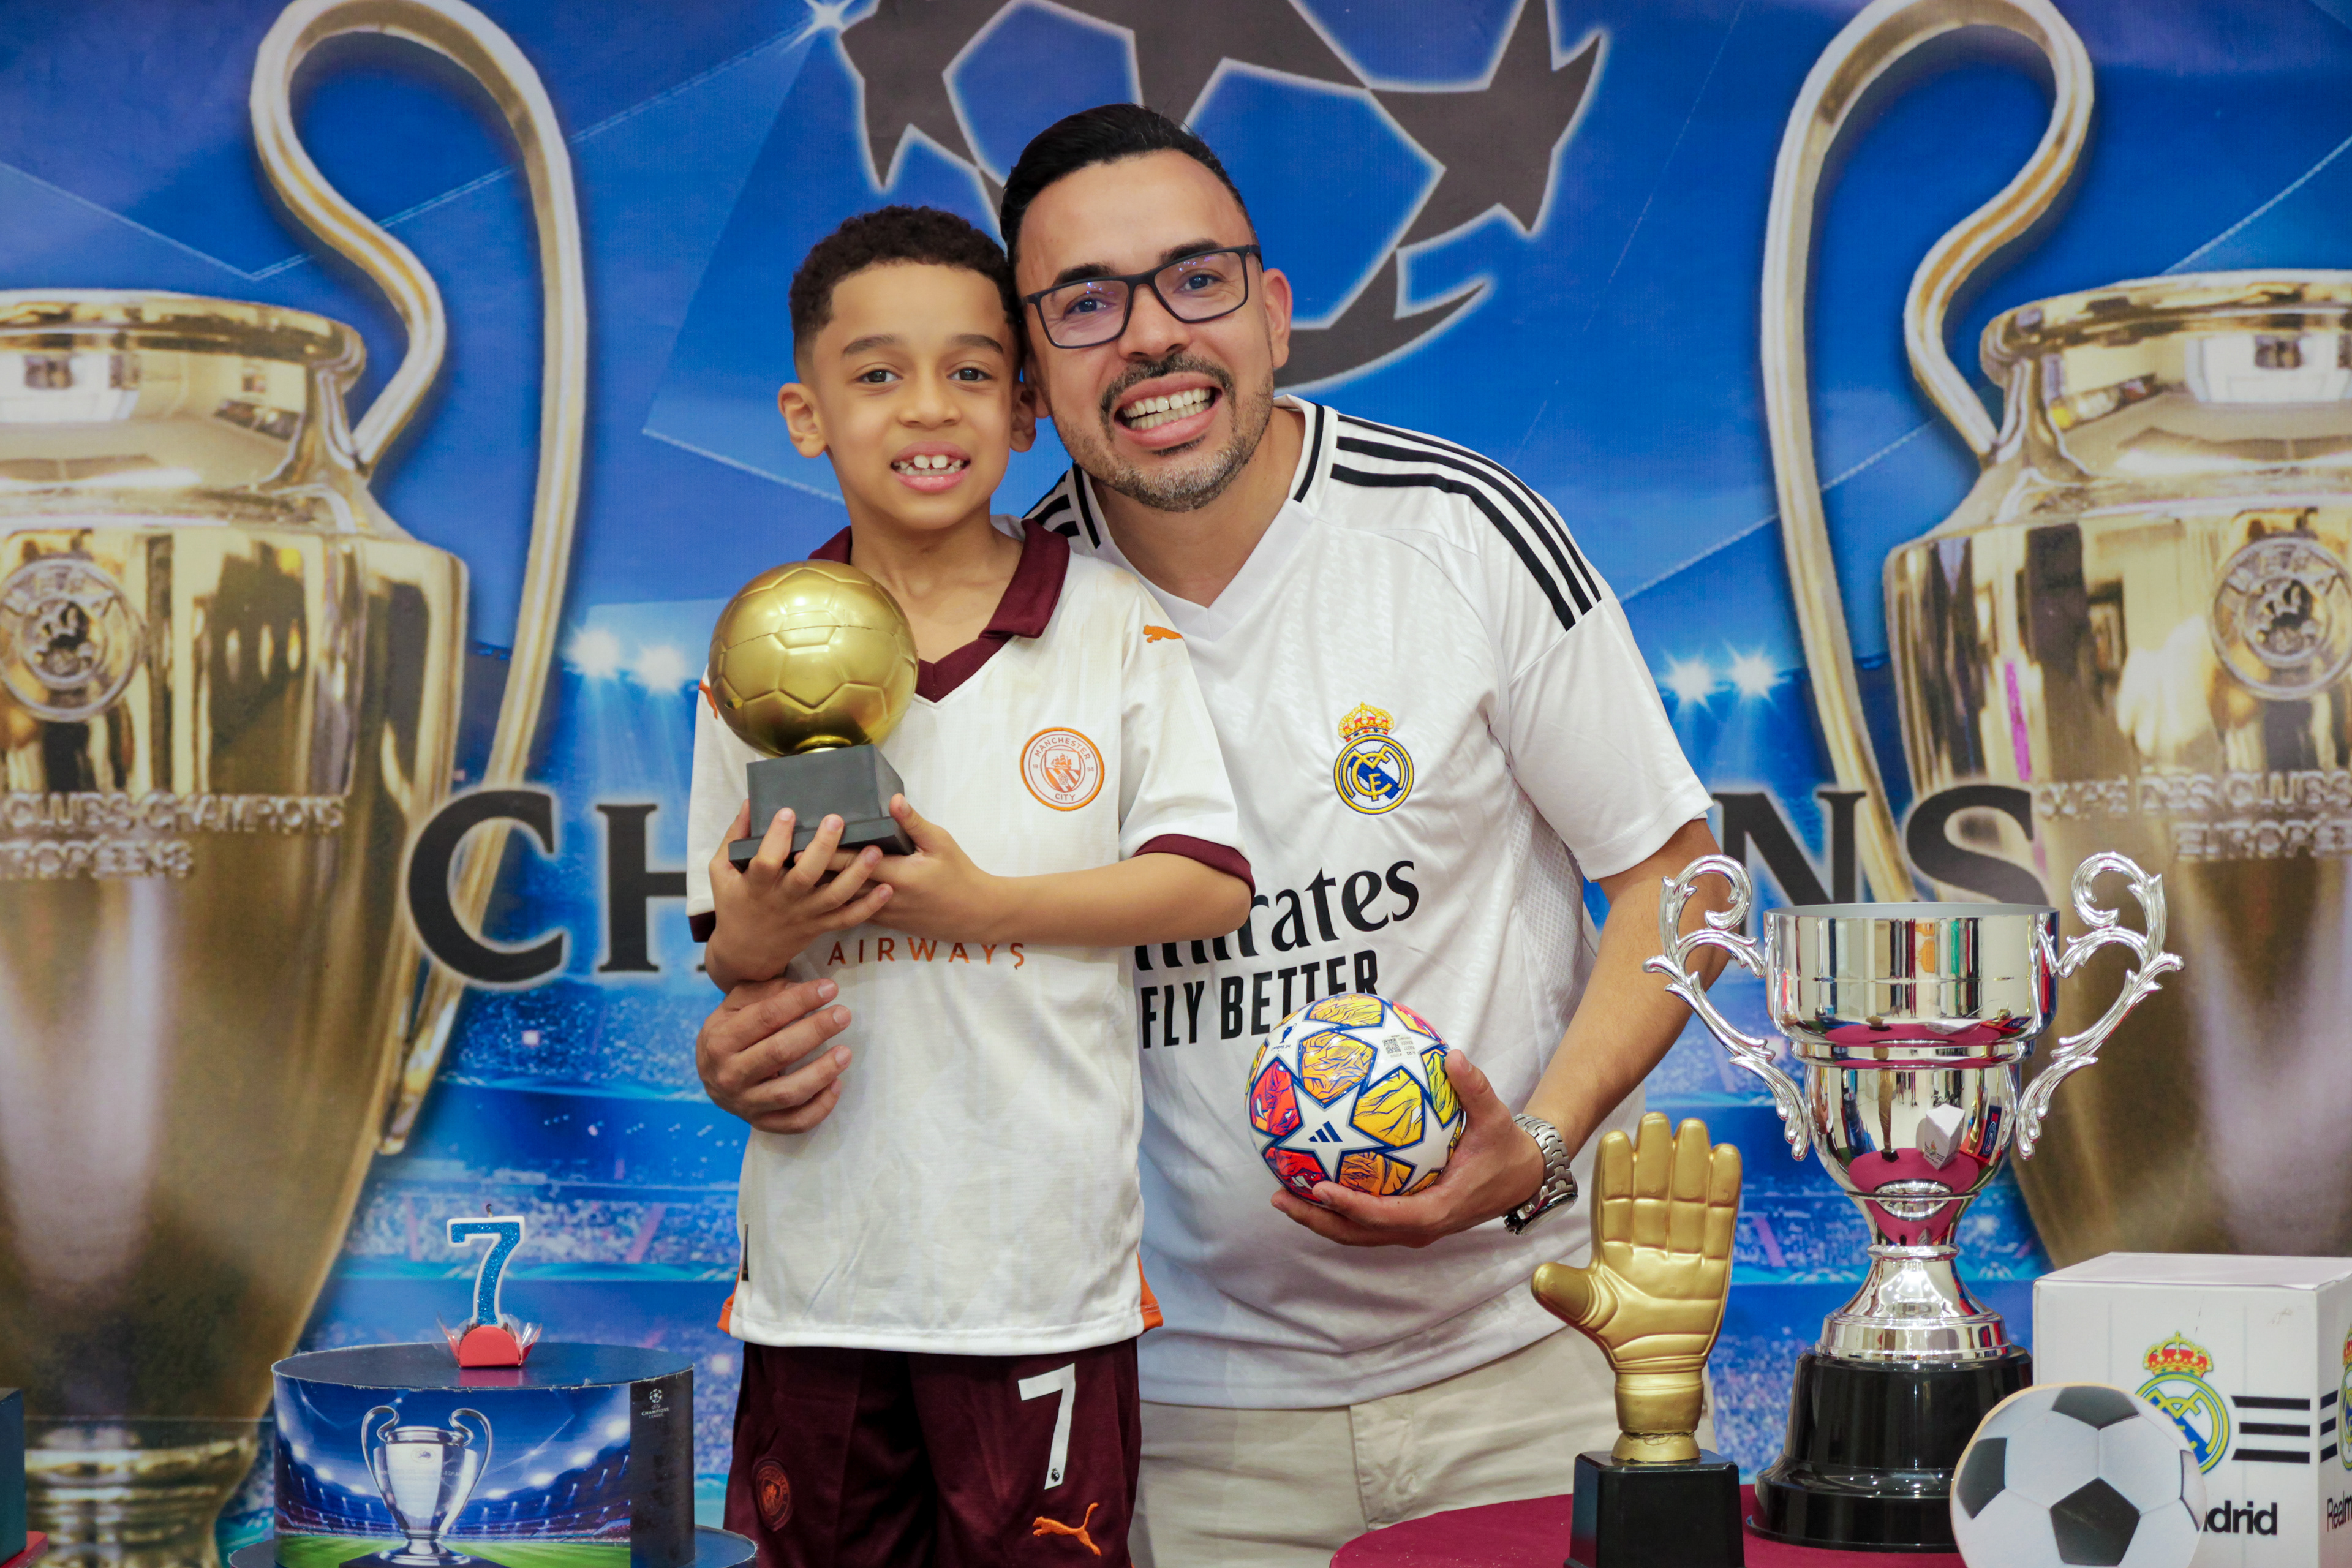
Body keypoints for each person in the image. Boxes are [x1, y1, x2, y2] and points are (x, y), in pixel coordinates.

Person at [695, 111, 1733, 1564]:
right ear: (1036, 380)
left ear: (1273, 310)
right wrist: (742, 1023)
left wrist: (1539, 1147)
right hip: (1174, 1420)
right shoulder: (950, 624)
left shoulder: (1457, 534)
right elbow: (882, 951)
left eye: (1196, 280)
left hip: (1510, 1370)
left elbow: (1678, 878)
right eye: (1086, 304)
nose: (1152, 338)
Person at [684, 205, 1253, 1568]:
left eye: (972, 372)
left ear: (1026, 415)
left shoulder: (1109, 622)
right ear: (805, 412)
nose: (927, 407)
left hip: (1036, 1284)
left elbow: (1204, 883)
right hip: (823, 1282)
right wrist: (758, 930)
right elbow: (732, 944)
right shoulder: (758, 650)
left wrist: (981, 905)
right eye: (877, 374)